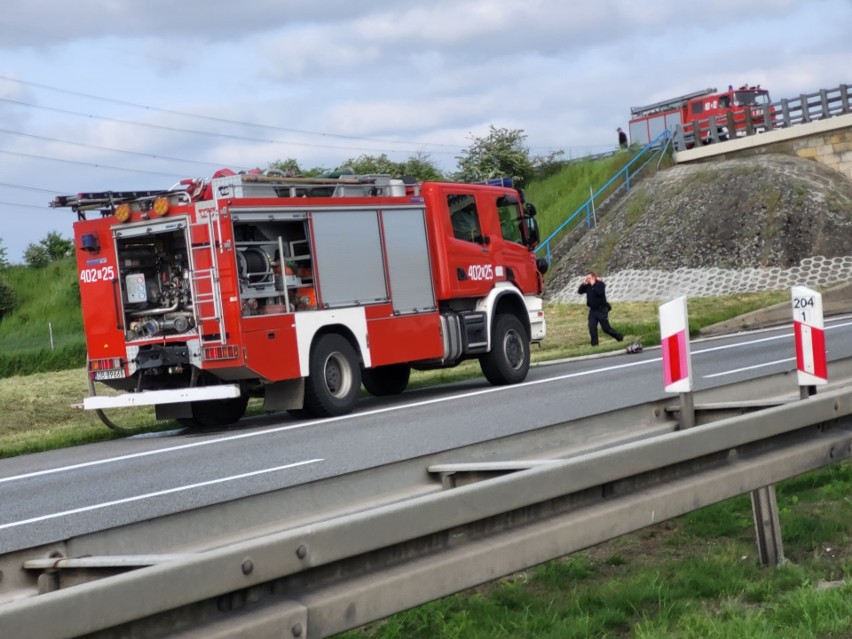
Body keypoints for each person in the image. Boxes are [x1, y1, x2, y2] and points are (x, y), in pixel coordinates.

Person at [577, 272, 623, 346]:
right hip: (593, 311)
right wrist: (583, 284)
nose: (588, 280)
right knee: (592, 328)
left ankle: (619, 337)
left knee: (606, 329)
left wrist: (593, 284)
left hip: (601, 310)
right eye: (587, 278)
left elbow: (599, 292)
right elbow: (580, 292)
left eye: (589, 278)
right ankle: (595, 345)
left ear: (594, 277)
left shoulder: (600, 284)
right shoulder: (588, 286)